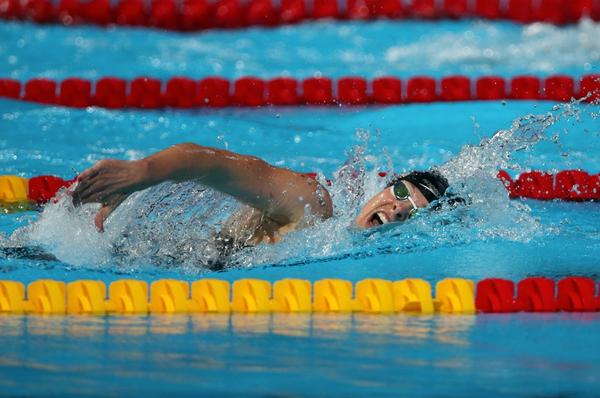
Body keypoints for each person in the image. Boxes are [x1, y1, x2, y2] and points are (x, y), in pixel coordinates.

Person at [73, 143, 450, 246]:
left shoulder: (332, 244)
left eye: (412, 214)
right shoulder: (313, 206)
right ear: (382, 187)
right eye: (401, 192)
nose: (398, 209)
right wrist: (141, 174)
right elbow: (211, 163)